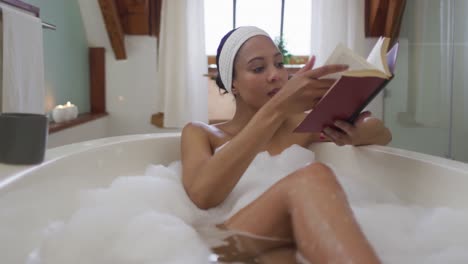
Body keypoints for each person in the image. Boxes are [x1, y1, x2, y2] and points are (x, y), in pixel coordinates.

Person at [181, 26, 391, 263]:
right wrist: (277, 108)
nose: (275, 75)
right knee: (312, 177)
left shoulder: (303, 125)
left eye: (279, 64)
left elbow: (382, 134)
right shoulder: (202, 133)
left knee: (285, 257)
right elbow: (202, 195)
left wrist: (361, 132)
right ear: (233, 84)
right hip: (223, 242)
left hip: (278, 242)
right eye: (258, 68)